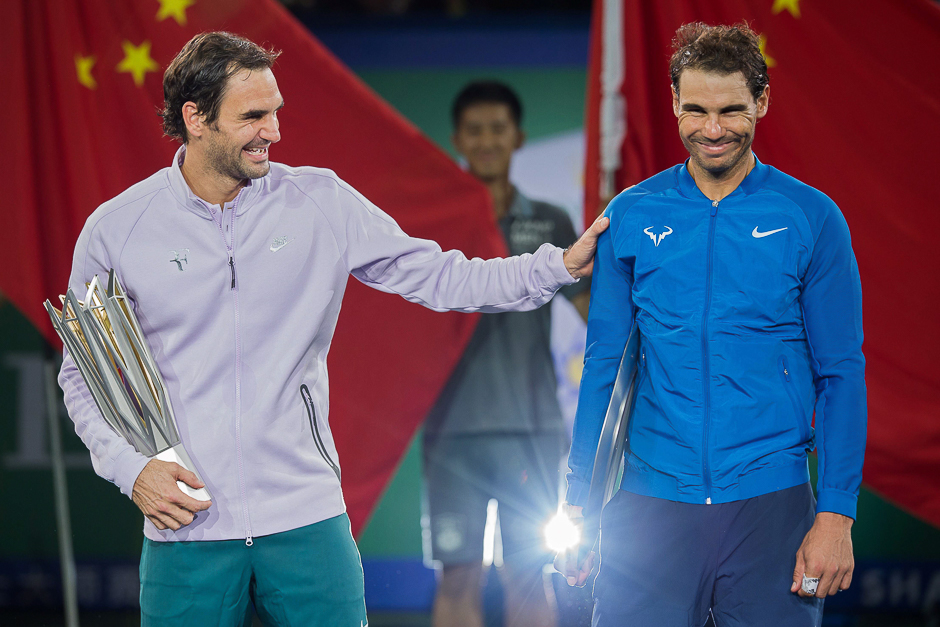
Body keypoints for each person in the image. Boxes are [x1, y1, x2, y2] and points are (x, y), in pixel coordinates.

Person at [57, 32, 607, 626]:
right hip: (186, 527)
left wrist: (556, 266)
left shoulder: (319, 200)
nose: (273, 130)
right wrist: (131, 468)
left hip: (307, 519)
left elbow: (444, 277)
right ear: (195, 118)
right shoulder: (117, 229)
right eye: (252, 116)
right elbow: (83, 376)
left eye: (275, 112)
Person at [557, 22, 866, 627]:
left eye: (731, 110)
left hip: (770, 503)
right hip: (649, 505)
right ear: (673, 101)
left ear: (763, 102)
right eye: (694, 109)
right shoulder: (631, 215)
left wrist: (835, 515)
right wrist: (579, 504)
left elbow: (841, 376)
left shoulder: (812, 218)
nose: (712, 129)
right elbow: (604, 372)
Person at [422, 81, 590, 627]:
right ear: (457, 140)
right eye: (476, 130)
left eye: (498, 129)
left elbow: (597, 312)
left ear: (517, 137)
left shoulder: (552, 223)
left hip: (532, 431)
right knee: (459, 575)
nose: (487, 140)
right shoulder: (432, 226)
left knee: (528, 574)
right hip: (453, 435)